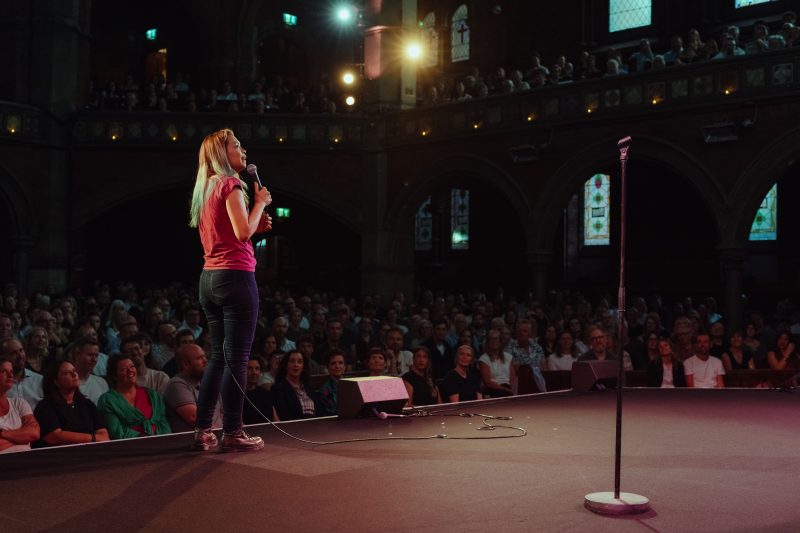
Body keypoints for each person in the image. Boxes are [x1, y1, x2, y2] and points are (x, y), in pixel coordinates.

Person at [188, 128, 272, 452]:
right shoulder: (232, 183)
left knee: (218, 360)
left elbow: (236, 234)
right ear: (223, 154)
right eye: (237, 146)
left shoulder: (206, 188)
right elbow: (241, 232)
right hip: (235, 278)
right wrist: (261, 204)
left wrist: (255, 223)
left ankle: (202, 430)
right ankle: (234, 431)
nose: (244, 150)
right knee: (237, 358)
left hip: (210, 278)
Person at [33, 360, 110, 447]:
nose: (74, 375)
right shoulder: (45, 406)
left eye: (74, 371)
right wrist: (92, 438)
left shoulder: (87, 404)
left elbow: (104, 436)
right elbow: (54, 437)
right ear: (55, 382)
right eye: (66, 373)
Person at [97, 354, 171, 439]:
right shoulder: (108, 400)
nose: (130, 371)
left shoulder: (152, 394)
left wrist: (164, 439)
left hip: (161, 443)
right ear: (114, 376)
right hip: (130, 447)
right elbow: (116, 431)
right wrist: (145, 439)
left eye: (132, 366)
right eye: (123, 369)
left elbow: (164, 421)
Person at [0, 358, 40, 453]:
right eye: (4, 371)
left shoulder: (19, 403)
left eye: (11, 372)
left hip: (27, 461)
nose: (10, 376)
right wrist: (21, 439)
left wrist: (2, 433)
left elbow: (34, 433)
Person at [271, 349, 321, 421]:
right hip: (293, 429)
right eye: (292, 361)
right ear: (285, 366)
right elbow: (284, 416)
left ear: (303, 366)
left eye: (299, 362)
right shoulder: (278, 389)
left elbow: (320, 413)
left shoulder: (309, 388)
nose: (296, 365)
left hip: (315, 428)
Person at [478, 328, 513, 397]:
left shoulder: (508, 356)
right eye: (492, 338)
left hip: (508, 387)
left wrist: (513, 390)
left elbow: (513, 378)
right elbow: (487, 382)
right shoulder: (484, 359)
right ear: (488, 342)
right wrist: (506, 390)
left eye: (497, 338)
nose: (495, 340)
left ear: (500, 341)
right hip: (493, 388)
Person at [242, 355, 274, 424]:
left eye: (257, 368)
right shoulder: (237, 395)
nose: (254, 372)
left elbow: (275, 418)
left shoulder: (265, 393)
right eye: (250, 368)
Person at [318, 350, 346, 416]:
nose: (337, 366)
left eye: (340, 363)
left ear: (345, 367)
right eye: (333, 363)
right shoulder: (325, 389)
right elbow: (333, 411)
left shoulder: (353, 384)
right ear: (328, 368)